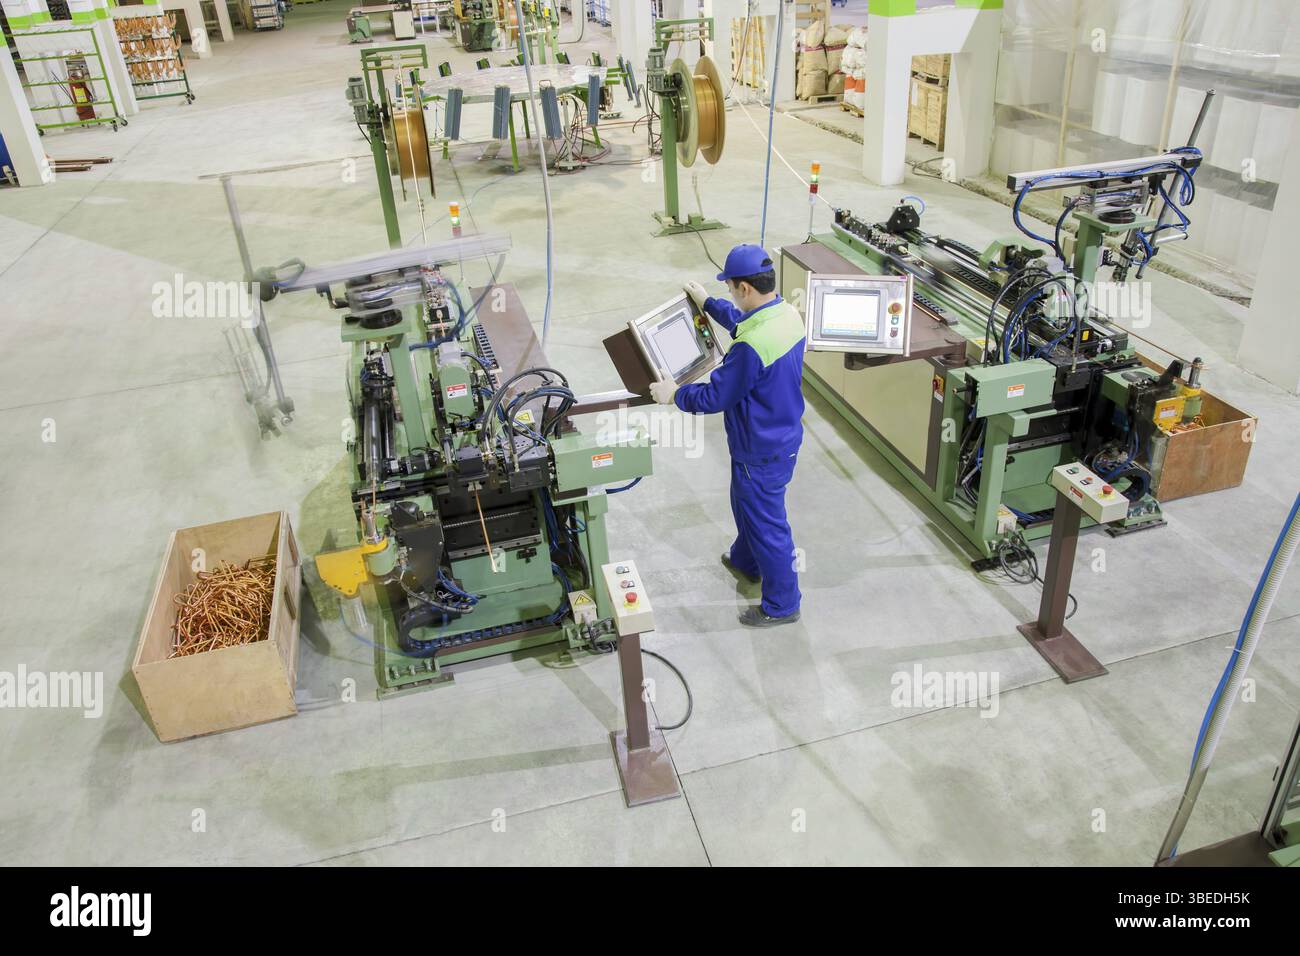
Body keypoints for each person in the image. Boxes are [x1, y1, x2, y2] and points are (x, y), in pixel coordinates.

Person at [649, 244, 806, 628]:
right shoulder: (785, 315)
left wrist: (675, 395)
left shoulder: (750, 348)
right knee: (744, 504)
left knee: (768, 526)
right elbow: (741, 321)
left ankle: (783, 604)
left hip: (760, 449)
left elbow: (717, 395)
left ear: (745, 288)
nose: (732, 295)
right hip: (779, 437)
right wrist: (708, 304)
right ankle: (745, 561)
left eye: (731, 289)